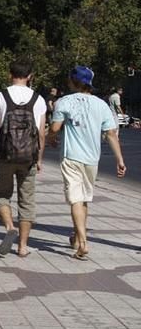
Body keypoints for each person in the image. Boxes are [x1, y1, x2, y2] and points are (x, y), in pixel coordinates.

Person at [49, 66, 126, 260]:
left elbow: (55, 128)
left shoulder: (63, 102)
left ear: (73, 81)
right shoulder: (101, 105)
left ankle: (83, 243)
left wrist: (51, 138)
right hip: (92, 159)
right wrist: (120, 160)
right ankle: (77, 237)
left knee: (75, 199)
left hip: (71, 157)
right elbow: (111, 134)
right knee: (83, 199)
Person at [0, 59, 47, 257]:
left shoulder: (0, 97)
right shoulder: (38, 99)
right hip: (28, 158)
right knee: (27, 200)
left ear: (10, 74)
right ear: (30, 77)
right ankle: (23, 246)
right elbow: (41, 133)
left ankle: (10, 226)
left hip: (4, 156)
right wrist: (39, 158)